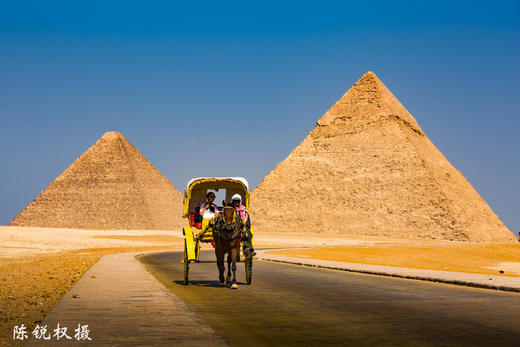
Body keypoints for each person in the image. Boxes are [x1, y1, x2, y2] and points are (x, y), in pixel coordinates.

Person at [231, 193, 256, 259]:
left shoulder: (244, 210)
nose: (236, 202)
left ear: (240, 201)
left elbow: (247, 220)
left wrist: (244, 224)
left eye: (238, 201)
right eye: (235, 201)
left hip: (241, 226)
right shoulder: (230, 209)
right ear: (232, 201)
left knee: (247, 234)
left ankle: (249, 249)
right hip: (232, 227)